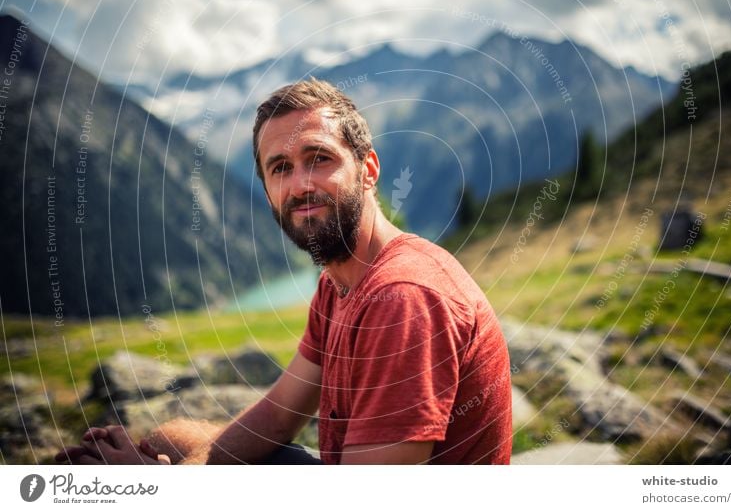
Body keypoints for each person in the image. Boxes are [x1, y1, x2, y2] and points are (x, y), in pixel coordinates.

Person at [56, 78, 512, 465]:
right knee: (169, 439)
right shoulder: (340, 279)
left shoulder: (404, 296)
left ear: (368, 169)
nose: (300, 185)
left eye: (319, 158)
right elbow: (278, 413)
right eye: (280, 168)